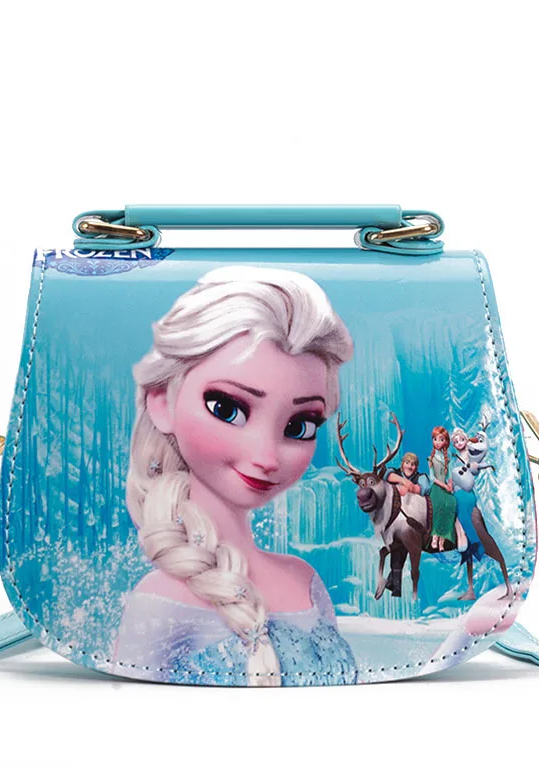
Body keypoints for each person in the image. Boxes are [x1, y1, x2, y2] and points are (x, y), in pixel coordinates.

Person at [113, 266, 358, 686]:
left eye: (299, 425)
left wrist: (464, 637)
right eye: (227, 409)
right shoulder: (160, 600)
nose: (266, 456)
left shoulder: (305, 581)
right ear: (162, 403)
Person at [427, 426, 458, 552]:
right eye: (435, 439)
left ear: (445, 441)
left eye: (441, 439)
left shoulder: (447, 458)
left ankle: (443, 538)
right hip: (436, 487)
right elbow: (432, 477)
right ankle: (435, 536)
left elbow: (449, 474)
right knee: (438, 504)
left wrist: (450, 484)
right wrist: (444, 485)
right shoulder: (431, 458)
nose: (437, 442)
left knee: (451, 503)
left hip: (446, 486)